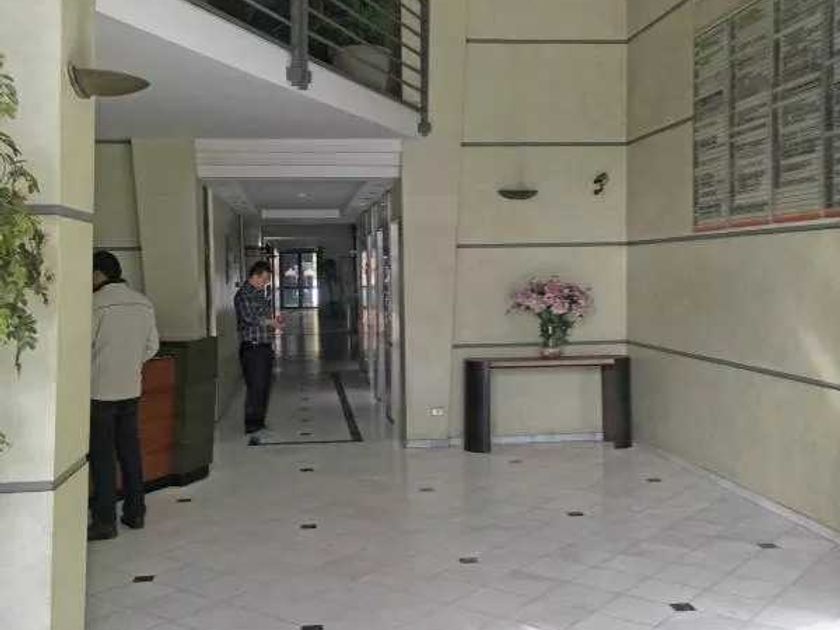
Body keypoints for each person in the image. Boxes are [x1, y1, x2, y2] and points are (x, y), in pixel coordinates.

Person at [88, 251, 159, 541]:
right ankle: (135, 511)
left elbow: (82, 346)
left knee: (103, 457)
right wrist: (131, 363)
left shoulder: (95, 304)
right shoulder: (143, 303)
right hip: (131, 389)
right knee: (130, 451)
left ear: (98, 274)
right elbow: (152, 346)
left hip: (100, 391)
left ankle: (105, 521)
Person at [235, 261, 284, 434]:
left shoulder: (259, 294)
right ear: (255, 276)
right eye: (264, 279)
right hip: (253, 348)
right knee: (255, 387)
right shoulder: (244, 295)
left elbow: (263, 317)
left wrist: (274, 321)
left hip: (264, 346)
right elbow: (249, 318)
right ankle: (252, 424)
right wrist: (270, 322)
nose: (266, 283)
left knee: (263, 387)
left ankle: (259, 422)